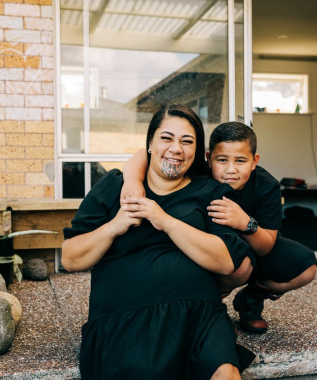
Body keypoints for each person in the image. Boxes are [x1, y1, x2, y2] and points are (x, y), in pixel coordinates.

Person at [62, 105, 255, 379]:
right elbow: (70, 258)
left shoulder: (210, 191)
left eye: (187, 141)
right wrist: (114, 226)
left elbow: (225, 261)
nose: (176, 148)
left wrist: (164, 220)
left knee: (226, 373)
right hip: (124, 319)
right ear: (150, 144)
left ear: (198, 152)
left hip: (198, 317)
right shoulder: (115, 187)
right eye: (166, 138)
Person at [122, 121, 317, 334]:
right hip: (207, 247)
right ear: (208, 158)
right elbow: (144, 154)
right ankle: (210, 306)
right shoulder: (201, 172)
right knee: (237, 264)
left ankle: (250, 300)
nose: (230, 170)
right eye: (222, 160)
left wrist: (245, 223)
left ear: (254, 161)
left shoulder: (266, 185)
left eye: (241, 161)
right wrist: (132, 181)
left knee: (306, 268)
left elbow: (266, 247)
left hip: (252, 240)